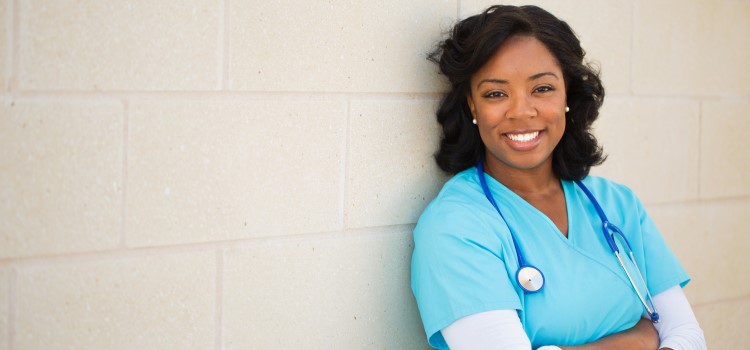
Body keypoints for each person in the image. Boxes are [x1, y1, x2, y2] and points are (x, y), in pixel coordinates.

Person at [410, 5, 706, 350]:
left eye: (542, 89)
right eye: (495, 93)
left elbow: (689, 337)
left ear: (568, 94)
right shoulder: (455, 227)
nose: (521, 111)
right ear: (472, 106)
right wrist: (642, 340)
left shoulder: (617, 205)